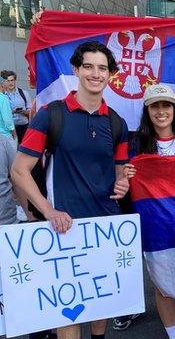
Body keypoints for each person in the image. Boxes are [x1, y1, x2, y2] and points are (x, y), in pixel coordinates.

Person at [11, 40, 130, 339]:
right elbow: (19, 170)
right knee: (69, 309)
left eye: (102, 68)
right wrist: (48, 210)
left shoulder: (118, 123)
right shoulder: (51, 115)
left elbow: (119, 173)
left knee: (100, 309)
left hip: (104, 229)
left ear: (110, 75)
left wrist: (123, 181)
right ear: (76, 69)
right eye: (88, 66)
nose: (95, 74)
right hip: (64, 227)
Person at [130, 84, 175, 339]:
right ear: (147, 111)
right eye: (155, 106)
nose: (161, 111)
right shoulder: (137, 146)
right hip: (156, 231)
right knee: (163, 289)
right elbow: (122, 182)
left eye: (166, 106)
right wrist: (125, 176)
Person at [1, 70, 31, 142]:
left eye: (12, 80)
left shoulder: (24, 93)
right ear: (4, 82)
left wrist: (24, 112)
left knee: (24, 151)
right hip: (9, 130)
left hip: (24, 127)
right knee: (13, 152)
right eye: (8, 81)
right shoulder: (2, 96)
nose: (11, 83)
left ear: (15, 80)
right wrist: (11, 112)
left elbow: (30, 110)